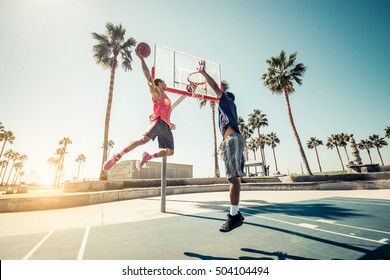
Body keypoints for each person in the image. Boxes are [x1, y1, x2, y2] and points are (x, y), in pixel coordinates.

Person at [102, 48, 175, 173]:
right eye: (163, 81)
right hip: (158, 123)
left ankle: (148, 157)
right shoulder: (157, 91)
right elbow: (148, 78)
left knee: (170, 152)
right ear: (159, 84)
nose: (165, 83)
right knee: (143, 140)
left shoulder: (165, 96)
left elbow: (164, 110)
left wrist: (168, 122)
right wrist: (141, 59)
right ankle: (118, 156)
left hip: (166, 126)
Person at [198, 60, 246, 232]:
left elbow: (215, 87)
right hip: (233, 139)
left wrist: (203, 73)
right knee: (235, 178)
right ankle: (235, 213)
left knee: (233, 178)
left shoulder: (226, 101)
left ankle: (234, 215)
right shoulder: (229, 110)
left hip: (233, 139)